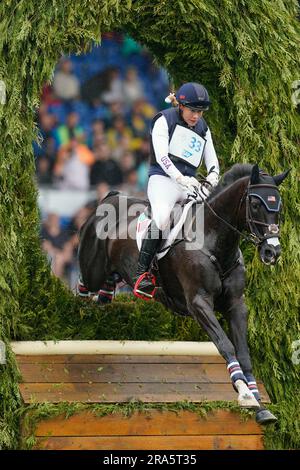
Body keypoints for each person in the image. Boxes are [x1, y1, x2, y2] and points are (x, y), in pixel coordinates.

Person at [133, 82, 220, 300]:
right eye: (193, 110)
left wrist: (211, 179)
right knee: (162, 219)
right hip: (163, 180)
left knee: (216, 212)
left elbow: (213, 163)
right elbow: (162, 158)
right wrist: (181, 178)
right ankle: (143, 274)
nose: (196, 116)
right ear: (180, 106)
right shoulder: (164, 120)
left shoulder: (203, 128)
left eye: (199, 111)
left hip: (190, 184)